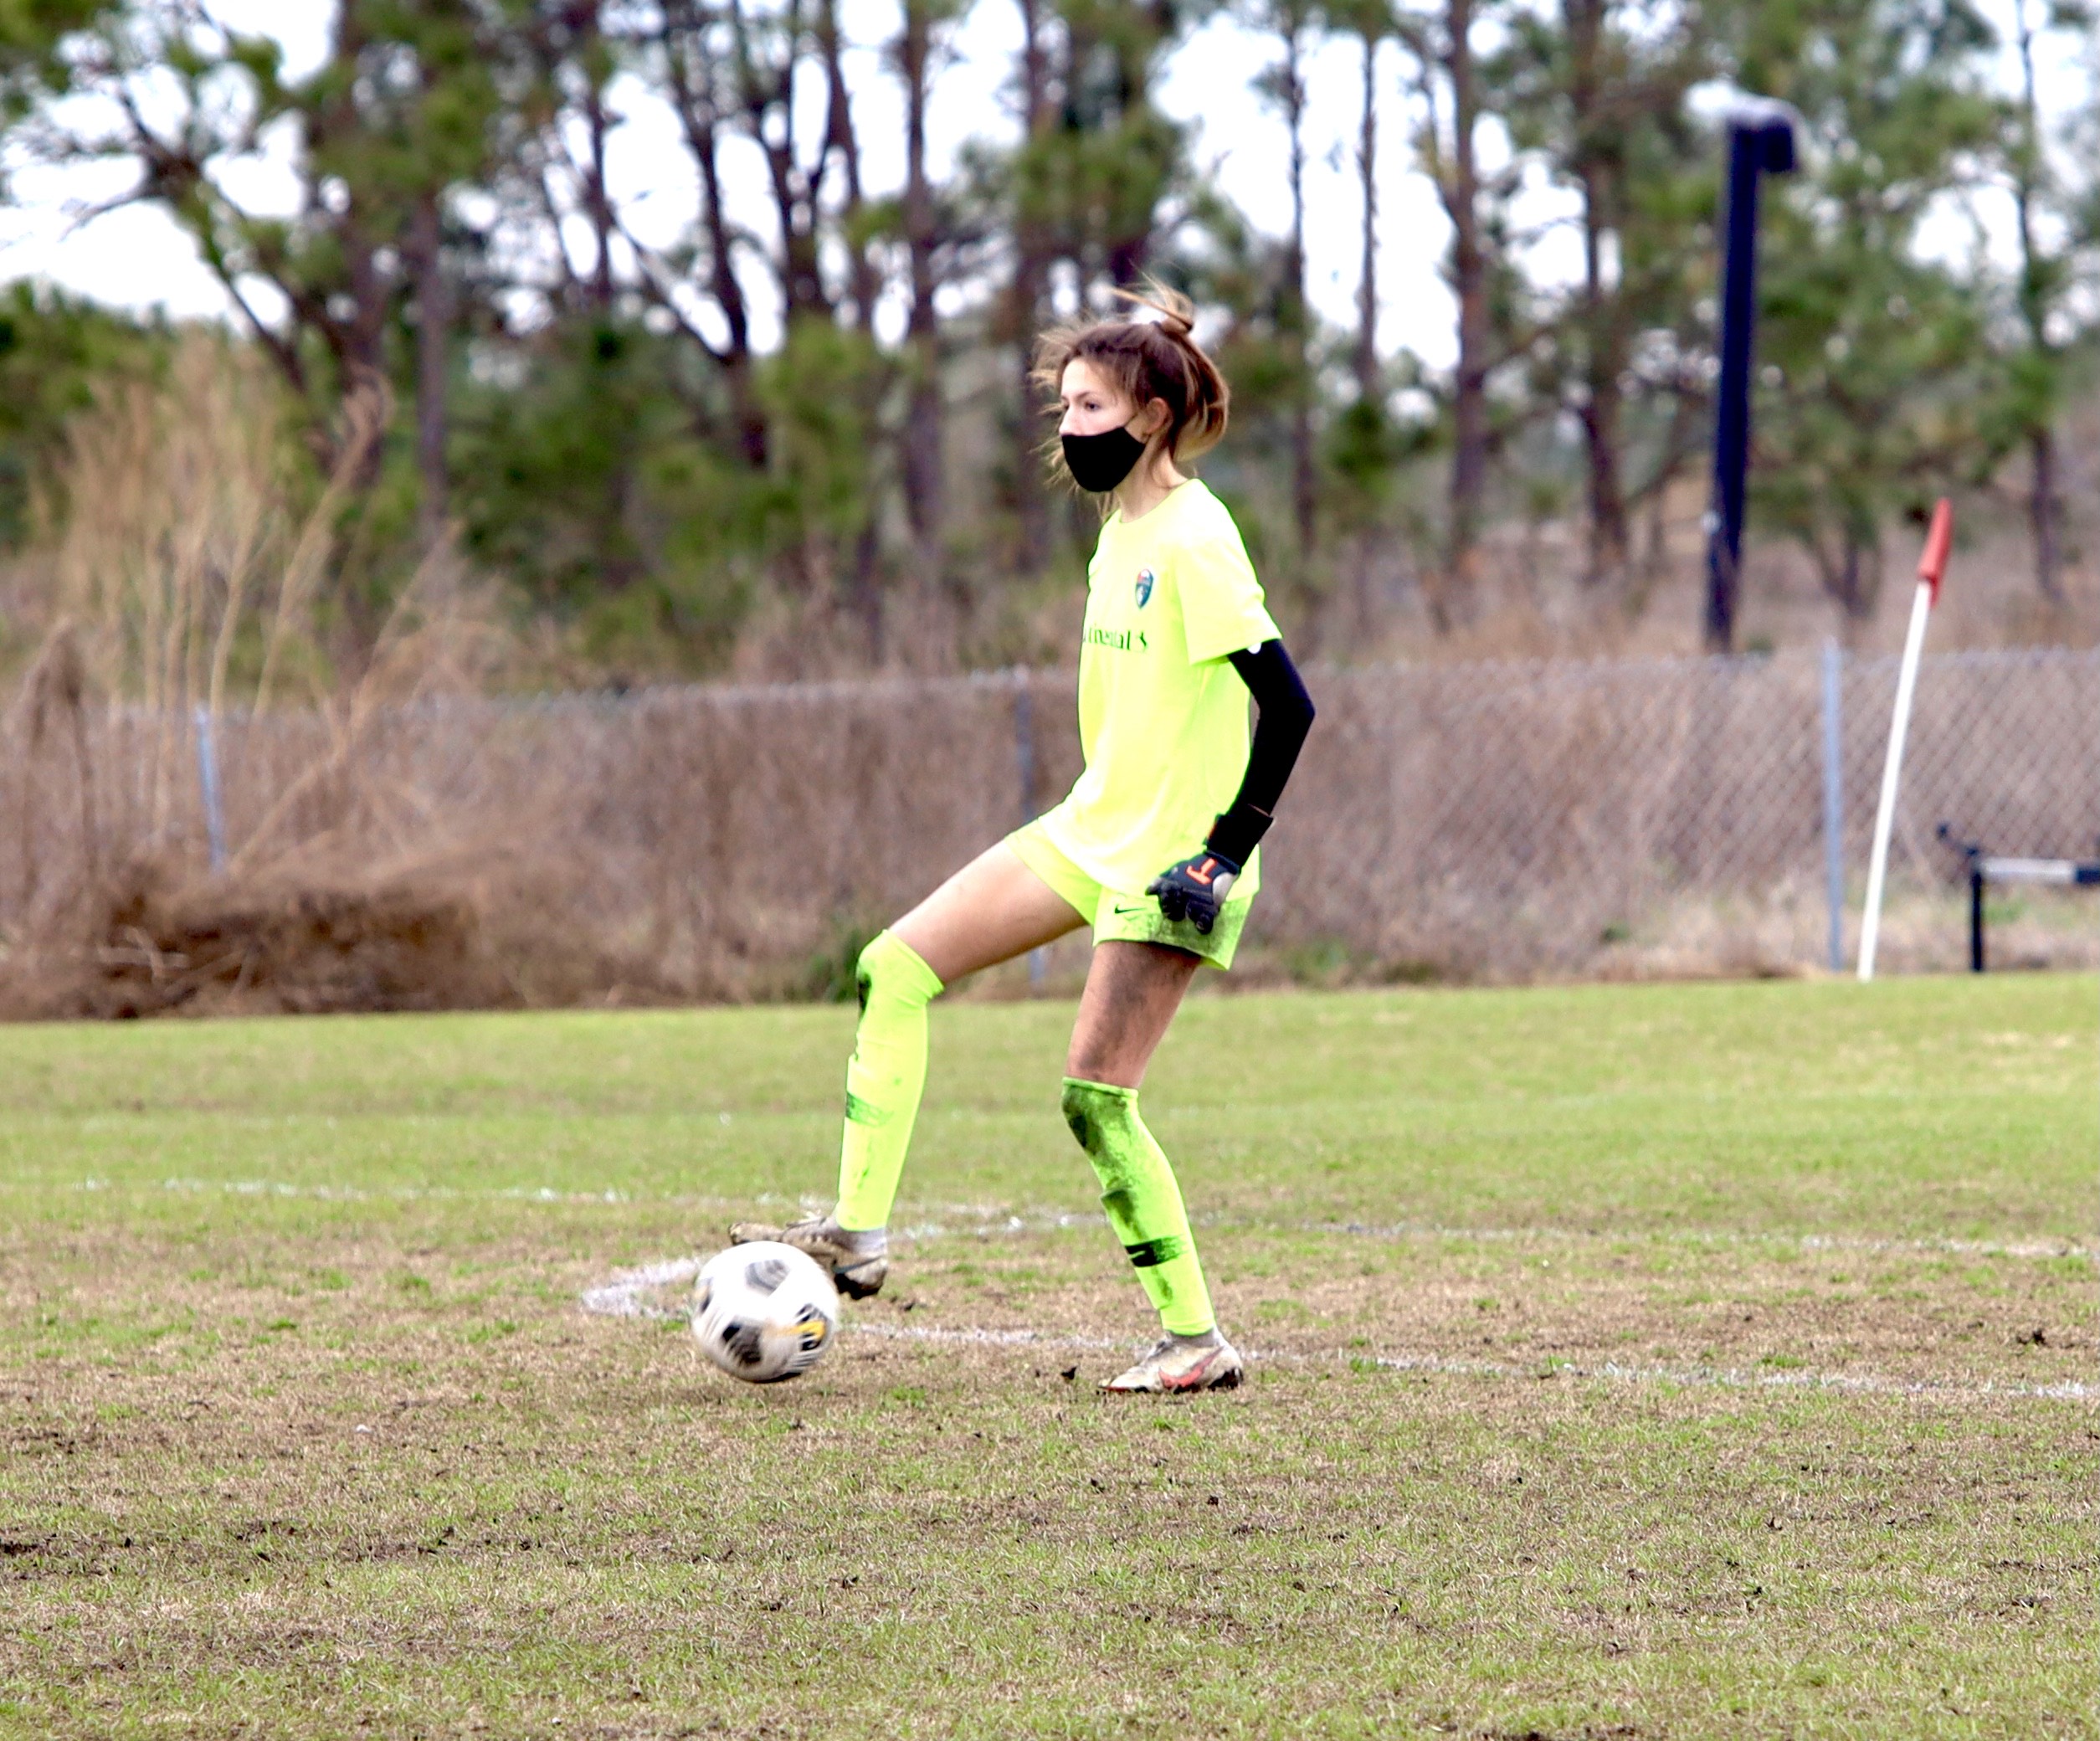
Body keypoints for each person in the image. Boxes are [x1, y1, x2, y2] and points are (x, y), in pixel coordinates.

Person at [733, 285, 1316, 1393]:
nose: (1067, 429)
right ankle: (856, 1237)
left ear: (1149, 414)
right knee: (893, 966)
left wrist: (1223, 852)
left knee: (1094, 1100)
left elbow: (1288, 706)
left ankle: (1193, 1340)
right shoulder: (1118, 536)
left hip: (1173, 861)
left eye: (1088, 407)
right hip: (1090, 829)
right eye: (1060, 409)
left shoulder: (1195, 534)